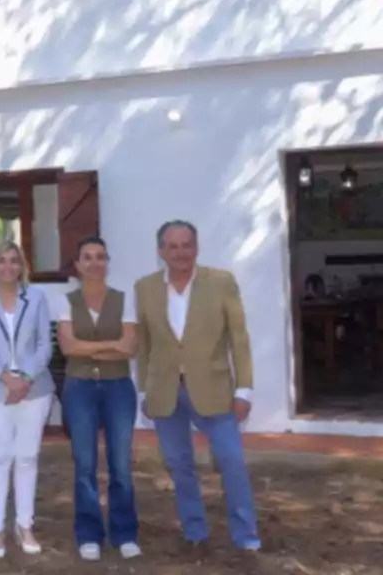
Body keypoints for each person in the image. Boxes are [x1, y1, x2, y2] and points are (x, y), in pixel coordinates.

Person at [135, 220, 260, 551]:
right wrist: (144, 390)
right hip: (165, 390)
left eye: (186, 244)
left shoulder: (221, 282)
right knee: (179, 465)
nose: (180, 253)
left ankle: (246, 535)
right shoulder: (145, 287)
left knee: (231, 461)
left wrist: (243, 389)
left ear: (197, 247)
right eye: (172, 246)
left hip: (215, 389)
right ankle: (195, 532)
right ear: (161, 251)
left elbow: (239, 339)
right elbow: (144, 343)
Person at [0, 240, 54, 561]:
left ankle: (24, 525)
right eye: (1, 261)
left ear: (22, 265)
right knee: (0, 456)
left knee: (28, 457)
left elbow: (45, 344)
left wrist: (26, 378)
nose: (7, 267)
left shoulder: (38, 297)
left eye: (14, 260)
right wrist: (6, 377)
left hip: (35, 389)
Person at [56, 236, 141, 561]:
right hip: (80, 388)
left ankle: (125, 533)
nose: (94, 263)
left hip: (118, 386)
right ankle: (89, 533)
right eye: (87, 257)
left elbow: (130, 346)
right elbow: (68, 348)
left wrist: (86, 346)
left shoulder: (124, 299)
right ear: (78, 265)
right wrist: (109, 346)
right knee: (85, 464)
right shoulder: (65, 301)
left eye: (100, 256)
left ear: (108, 262)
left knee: (121, 464)